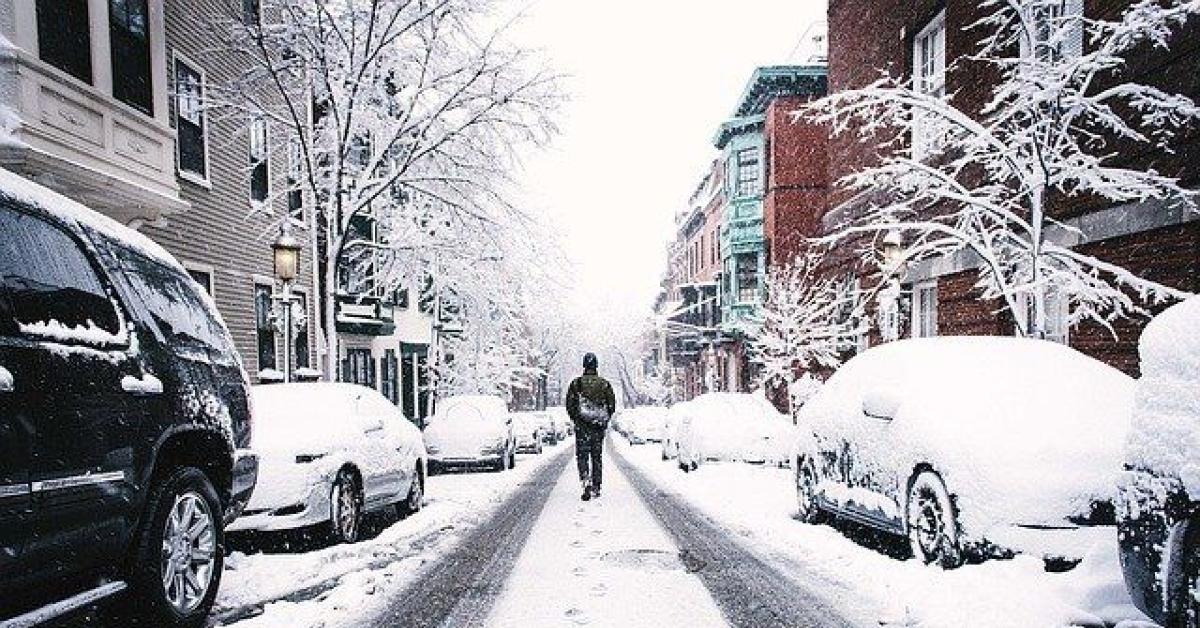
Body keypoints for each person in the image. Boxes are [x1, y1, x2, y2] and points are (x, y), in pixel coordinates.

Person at [565, 352, 616, 501]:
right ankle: (596, 485)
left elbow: (570, 405)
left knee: (582, 456)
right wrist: (603, 420)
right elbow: (611, 404)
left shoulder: (576, 384)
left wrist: (577, 419)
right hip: (597, 428)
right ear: (596, 365)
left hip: (582, 428)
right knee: (596, 457)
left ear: (584, 365)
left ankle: (585, 481)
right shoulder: (604, 384)